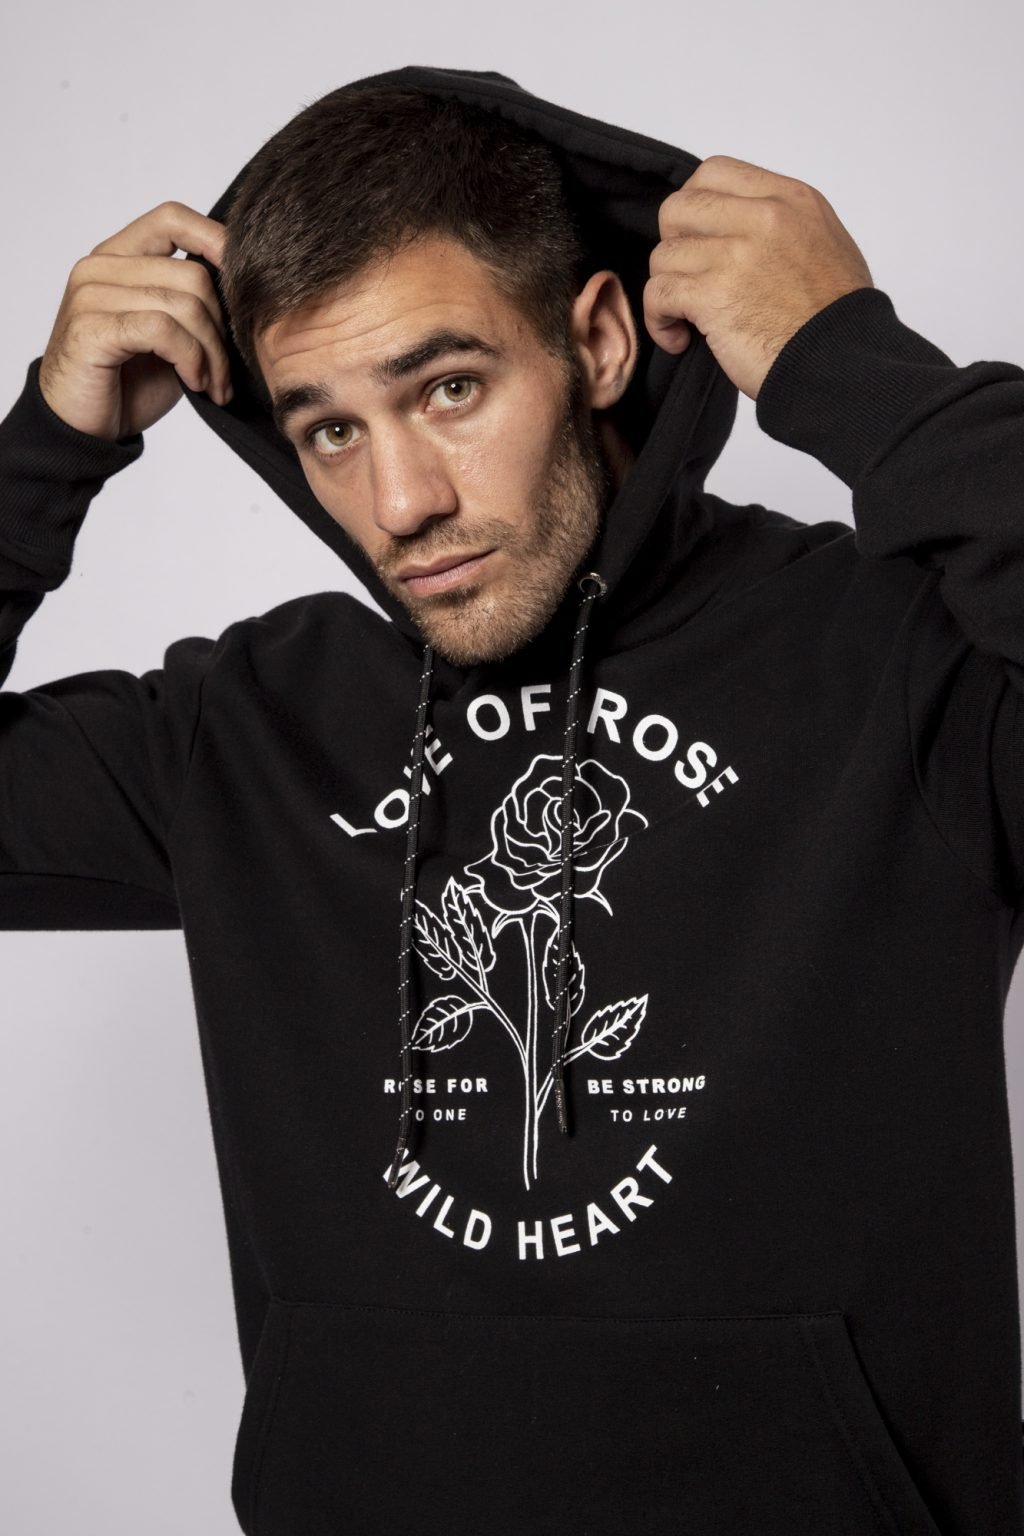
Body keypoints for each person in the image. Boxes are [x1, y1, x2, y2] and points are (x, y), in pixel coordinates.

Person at [2, 61, 1023, 1536]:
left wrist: (853, 370)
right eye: (331, 429)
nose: (401, 501)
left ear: (596, 342)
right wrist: (43, 446)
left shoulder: (904, 665)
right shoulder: (251, 725)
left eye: (449, 388)